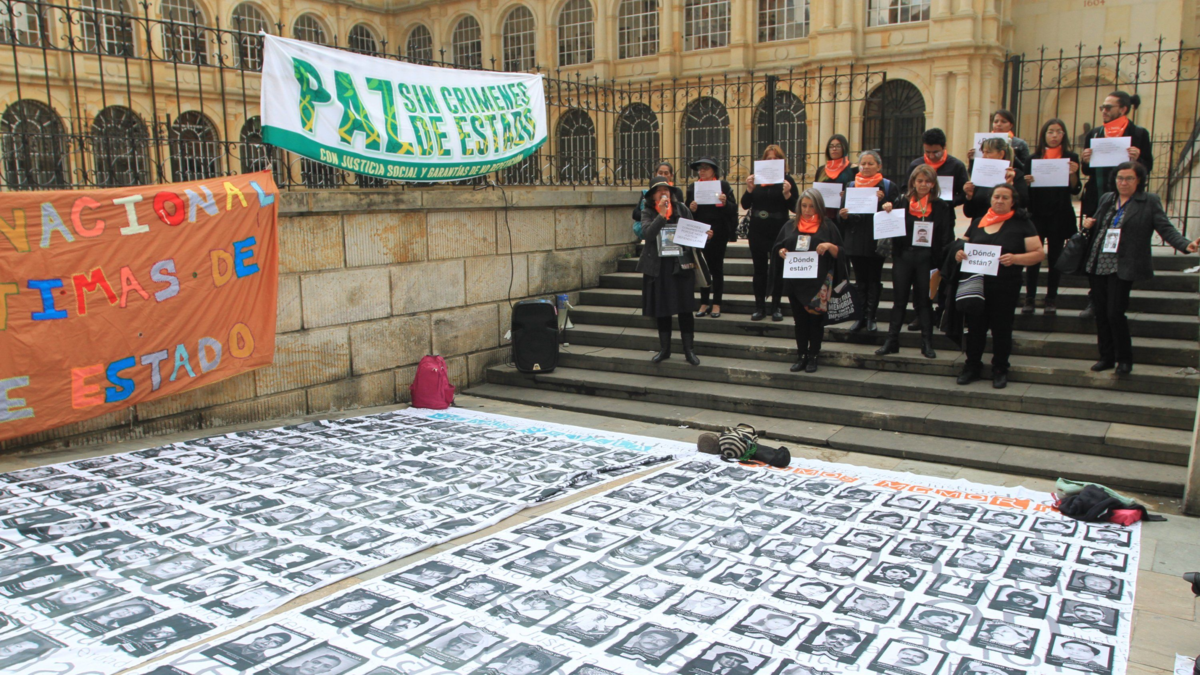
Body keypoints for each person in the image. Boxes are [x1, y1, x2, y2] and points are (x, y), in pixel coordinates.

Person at [1080, 161, 1196, 373]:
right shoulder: (1108, 198)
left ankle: (1124, 359)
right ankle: (1106, 357)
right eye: (1120, 178)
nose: (1123, 183)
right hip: (1098, 262)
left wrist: (1185, 245)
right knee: (1101, 313)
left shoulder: (1149, 201)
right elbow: (1099, 223)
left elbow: (1165, 228)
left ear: (1139, 180)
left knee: (1115, 313)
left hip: (1123, 264)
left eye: (1129, 178)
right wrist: (1089, 223)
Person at [953, 183, 1044, 388]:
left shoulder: (1022, 223)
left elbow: (1038, 253)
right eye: (996, 197)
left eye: (1005, 197)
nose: (1000, 201)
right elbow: (962, 244)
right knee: (975, 328)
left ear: (1013, 202)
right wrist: (959, 253)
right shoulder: (979, 221)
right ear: (990, 199)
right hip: (977, 284)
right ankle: (972, 366)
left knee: (1001, 328)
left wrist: (1016, 258)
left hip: (1005, 284)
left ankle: (1000, 368)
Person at [1079, 90, 1153, 319]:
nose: (1104, 110)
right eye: (1102, 107)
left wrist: (1137, 159)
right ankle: (1095, 298)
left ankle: (1118, 298)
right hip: (1098, 198)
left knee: (1122, 248)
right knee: (1093, 246)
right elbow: (1087, 171)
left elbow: (1147, 167)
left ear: (1123, 109)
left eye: (1108, 107)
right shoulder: (1095, 133)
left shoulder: (1138, 133)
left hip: (1126, 202)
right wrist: (1085, 160)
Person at [875, 164, 955, 359]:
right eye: (920, 181)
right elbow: (888, 223)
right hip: (904, 257)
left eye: (928, 181)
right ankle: (891, 341)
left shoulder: (941, 206)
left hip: (926, 260)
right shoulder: (902, 202)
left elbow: (946, 236)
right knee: (899, 301)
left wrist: (939, 260)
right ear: (913, 182)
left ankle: (927, 343)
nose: (923, 184)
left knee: (924, 302)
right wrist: (886, 208)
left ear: (933, 184)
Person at [639, 174, 709, 366]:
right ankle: (665, 349)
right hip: (659, 268)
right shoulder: (647, 212)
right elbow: (648, 234)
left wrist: (704, 236)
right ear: (652, 195)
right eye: (659, 191)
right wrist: (661, 215)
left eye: (666, 190)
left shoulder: (682, 209)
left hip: (681, 266)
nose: (664, 193)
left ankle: (689, 350)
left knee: (685, 308)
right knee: (662, 309)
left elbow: (693, 234)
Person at [773, 188, 844, 373]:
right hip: (796, 281)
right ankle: (802, 355)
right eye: (804, 206)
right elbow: (779, 246)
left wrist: (829, 246)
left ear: (819, 207)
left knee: (815, 321)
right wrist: (781, 251)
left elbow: (841, 252)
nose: (807, 210)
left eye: (811, 206)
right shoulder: (790, 225)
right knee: (800, 321)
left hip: (818, 283)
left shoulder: (827, 226)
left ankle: (813, 355)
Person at [1023, 118, 1082, 315]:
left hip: (1059, 215)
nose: (1054, 135)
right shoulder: (1033, 159)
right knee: (1033, 258)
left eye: (1058, 131)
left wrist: (1073, 173)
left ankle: (1051, 299)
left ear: (1063, 135)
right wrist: (1027, 182)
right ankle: (1029, 298)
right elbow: (1025, 192)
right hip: (1037, 215)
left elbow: (1075, 189)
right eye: (1050, 131)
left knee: (1056, 259)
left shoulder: (1070, 157)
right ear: (1044, 135)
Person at [838, 150, 897, 332]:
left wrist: (884, 202)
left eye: (870, 163)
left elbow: (895, 213)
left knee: (874, 278)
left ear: (879, 166)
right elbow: (842, 218)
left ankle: (872, 316)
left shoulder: (887, 186)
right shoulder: (851, 186)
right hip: (855, 240)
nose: (866, 167)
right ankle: (860, 316)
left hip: (876, 240)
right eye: (863, 163)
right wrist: (843, 215)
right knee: (860, 279)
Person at [743, 144, 799, 321]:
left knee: (778, 269)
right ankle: (760, 307)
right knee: (759, 270)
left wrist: (788, 194)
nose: (772, 161)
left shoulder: (787, 180)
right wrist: (749, 189)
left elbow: (796, 208)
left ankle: (776, 306)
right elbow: (745, 204)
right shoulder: (756, 179)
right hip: (758, 229)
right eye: (769, 158)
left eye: (776, 158)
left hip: (779, 230)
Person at [686, 157, 738, 318]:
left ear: (713, 171)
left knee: (717, 269)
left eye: (706, 168)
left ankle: (716, 303)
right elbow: (686, 211)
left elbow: (733, 210)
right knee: (702, 268)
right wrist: (691, 208)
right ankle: (704, 302)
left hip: (718, 232)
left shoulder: (723, 186)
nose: (701, 171)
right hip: (699, 232)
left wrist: (725, 203)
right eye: (699, 168)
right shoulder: (693, 187)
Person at [964, 137, 1030, 215]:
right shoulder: (980, 175)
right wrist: (969, 196)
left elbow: (1022, 204)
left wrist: (1010, 186)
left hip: (1006, 221)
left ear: (1001, 154)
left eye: (988, 152)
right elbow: (969, 213)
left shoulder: (1015, 175)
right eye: (983, 152)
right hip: (982, 220)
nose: (984, 156)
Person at [907, 127, 969, 205]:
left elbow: (963, 193)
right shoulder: (915, 165)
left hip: (946, 209)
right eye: (927, 152)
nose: (931, 156)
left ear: (944, 147)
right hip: (917, 208)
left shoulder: (956, 166)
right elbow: (906, 189)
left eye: (936, 152)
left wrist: (947, 203)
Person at [968, 109, 1031, 173]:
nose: (999, 124)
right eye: (996, 121)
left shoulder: (1020, 144)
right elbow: (973, 172)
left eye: (1003, 122)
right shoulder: (984, 141)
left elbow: (1025, 169)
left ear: (1011, 125)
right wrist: (972, 159)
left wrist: (1011, 154)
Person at [813, 134, 856, 221]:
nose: (834, 149)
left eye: (838, 146)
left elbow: (857, 191)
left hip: (843, 215)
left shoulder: (853, 169)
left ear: (844, 148)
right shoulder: (821, 170)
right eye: (831, 146)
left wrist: (847, 194)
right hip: (824, 214)